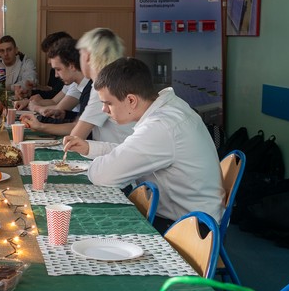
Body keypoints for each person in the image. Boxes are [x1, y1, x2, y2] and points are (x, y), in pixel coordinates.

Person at [62, 57, 223, 233]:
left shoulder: (160, 127)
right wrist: (90, 148)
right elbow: (131, 151)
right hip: (191, 214)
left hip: (191, 228)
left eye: (108, 103)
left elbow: (102, 176)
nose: (104, 110)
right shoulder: (170, 107)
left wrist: (94, 165)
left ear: (131, 100)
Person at [17, 38, 89, 136]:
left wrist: (40, 126)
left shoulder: (91, 88)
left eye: (58, 69)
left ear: (71, 66)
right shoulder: (80, 85)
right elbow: (81, 120)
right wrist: (65, 114)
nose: (56, 75)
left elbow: (79, 128)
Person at [30, 31, 73, 100]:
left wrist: (30, 94)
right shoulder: (54, 70)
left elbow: (54, 95)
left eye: (51, 56)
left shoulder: (71, 78)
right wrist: (37, 87)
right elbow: (51, 90)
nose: (48, 61)